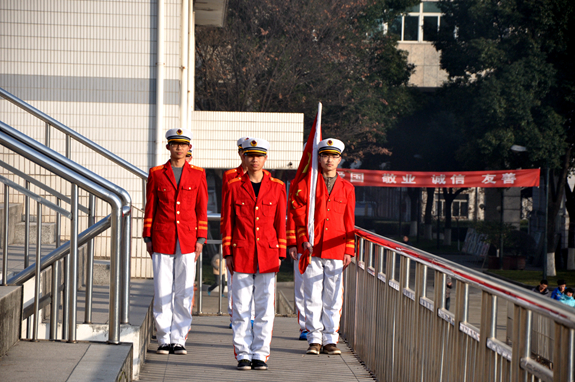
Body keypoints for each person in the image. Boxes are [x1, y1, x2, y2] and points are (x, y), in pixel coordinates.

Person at [222, 138, 287, 371]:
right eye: (250, 155)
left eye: (259, 156)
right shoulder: (233, 186)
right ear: (244, 158)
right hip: (241, 252)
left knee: (265, 309)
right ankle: (242, 353)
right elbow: (227, 222)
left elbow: (281, 222)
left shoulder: (278, 186)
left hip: (268, 255)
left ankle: (260, 353)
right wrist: (227, 251)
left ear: (265, 158)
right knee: (240, 308)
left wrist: (280, 252)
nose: (254, 160)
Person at [143, 128, 208, 355]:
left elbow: (201, 208)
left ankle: (179, 338)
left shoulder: (198, 174)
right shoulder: (157, 173)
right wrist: (147, 236)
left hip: (188, 238)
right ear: (168, 146)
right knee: (162, 290)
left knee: (184, 291)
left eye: (183, 144)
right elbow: (150, 206)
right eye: (175, 144)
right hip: (162, 236)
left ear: (189, 147)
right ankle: (164, 338)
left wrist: (201, 238)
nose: (179, 148)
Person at [290, 138, 356, 356]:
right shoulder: (307, 185)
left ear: (340, 159)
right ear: (318, 157)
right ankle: (314, 338)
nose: (329, 160)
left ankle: (330, 339)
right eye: (325, 155)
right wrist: (301, 240)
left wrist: (349, 249)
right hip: (312, 248)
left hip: (336, 249)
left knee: (333, 296)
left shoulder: (347, 188)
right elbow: (297, 215)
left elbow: (349, 220)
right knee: (312, 294)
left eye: (334, 156)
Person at [221, 136, 256, 328]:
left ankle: (250, 315)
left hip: (253, 234)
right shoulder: (230, 176)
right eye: (245, 153)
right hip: (235, 232)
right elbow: (227, 207)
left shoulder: (260, 175)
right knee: (234, 277)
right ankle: (234, 314)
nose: (248, 157)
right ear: (240, 154)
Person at [287, 213, 307, 340]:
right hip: (302, 246)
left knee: (328, 292)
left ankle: (327, 330)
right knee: (302, 288)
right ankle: (306, 327)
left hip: (327, 247)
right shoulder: (299, 191)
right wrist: (292, 242)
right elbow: (293, 213)